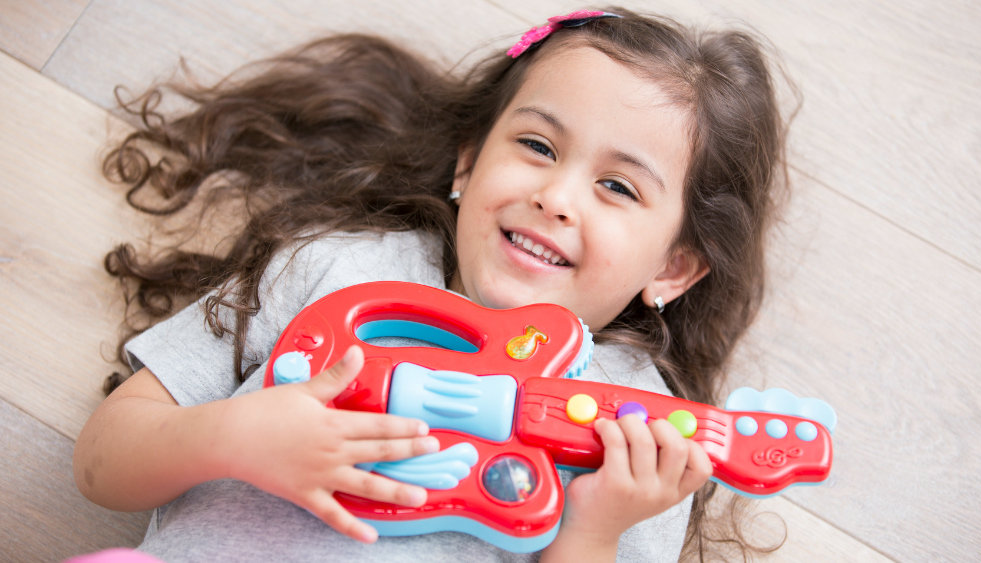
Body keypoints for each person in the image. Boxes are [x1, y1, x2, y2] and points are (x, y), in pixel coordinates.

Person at [73, 7, 789, 562]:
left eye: (617, 186)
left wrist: (595, 529)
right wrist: (230, 436)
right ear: (467, 163)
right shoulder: (336, 266)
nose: (557, 195)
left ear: (671, 267)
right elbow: (103, 460)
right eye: (537, 146)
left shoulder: (644, 433)